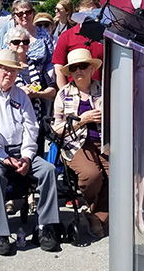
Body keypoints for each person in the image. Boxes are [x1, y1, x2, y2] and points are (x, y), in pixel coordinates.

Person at [0, 49, 61, 256]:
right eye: (4, 69)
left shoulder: (21, 95)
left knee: (48, 170)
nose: (9, 74)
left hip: (20, 150)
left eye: (13, 70)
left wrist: (27, 157)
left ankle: (45, 228)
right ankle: (0, 233)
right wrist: (6, 158)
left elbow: (32, 128)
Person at [53, 48, 108, 239]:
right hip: (74, 144)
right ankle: (95, 213)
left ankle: (96, 216)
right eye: (74, 68)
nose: (79, 71)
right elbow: (57, 129)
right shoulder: (63, 94)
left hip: (104, 141)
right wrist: (82, 120)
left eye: (83, 66)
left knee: (121, 175)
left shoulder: (104, 90)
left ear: (92, 68)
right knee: (91, 174)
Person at [52, 0, 103, 89]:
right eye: (84, 14)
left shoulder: (106, 37)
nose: (89, 17)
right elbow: (59, 67)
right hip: (73, 91)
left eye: (93, 13)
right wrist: (65, 93)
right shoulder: (66, 36)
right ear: (78, 13)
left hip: (101, 91)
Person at [0, 0, 54, 76]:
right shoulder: (8, 36)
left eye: (28, 12)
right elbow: (4, 61)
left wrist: (50, 79)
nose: (24, 16)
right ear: (14, 16)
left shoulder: (44, 34)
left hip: (42, 79)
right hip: (15, 79)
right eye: (20, 14)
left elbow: (50, 60)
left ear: (33, 13)